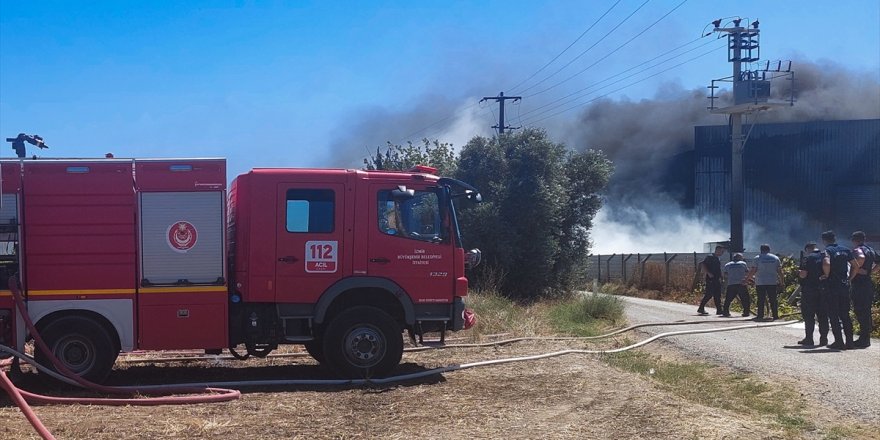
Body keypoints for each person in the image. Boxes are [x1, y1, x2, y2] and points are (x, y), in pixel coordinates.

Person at [821, 230, 858, 350]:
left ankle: (839, 342)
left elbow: (826, 263)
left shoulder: (828, 250)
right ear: (835, 238)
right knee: (845, 314)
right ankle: (850, 342)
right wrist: (850, 278)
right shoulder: (846, 249)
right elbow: (855, 265)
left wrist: (826, 275)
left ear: (824, 240)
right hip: (844, 285)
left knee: (833, 314)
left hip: (832, 286)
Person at [797, 242, 828, 347]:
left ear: (807, 249)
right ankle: (824, 339)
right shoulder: (825, 256)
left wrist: (799, 274)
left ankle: (809, 339)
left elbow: (803, 274)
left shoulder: (807, 258)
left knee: (809, 316)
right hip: (824, 290)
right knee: (823, 315)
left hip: (809, 290)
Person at [849, 231, 876, 348]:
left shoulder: (858, 250)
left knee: (860, 310)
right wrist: (869, 272)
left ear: (855, 240)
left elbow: (860, 258)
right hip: (868, 284)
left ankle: (864, 339)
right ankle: (866, 337)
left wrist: (854, 272)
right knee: (866, 310)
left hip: (859, 285)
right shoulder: (871, 250)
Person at [748, 244, 784, 320]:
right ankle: (775, 315)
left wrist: (747, 279)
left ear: (761, 250)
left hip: (760, 282)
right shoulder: (775, 258)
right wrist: (782, 282)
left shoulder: (757, 258)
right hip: (772, 282)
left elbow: (753, 270)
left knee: (761, 299)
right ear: (769, 249)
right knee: (773, 299)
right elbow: (780, 271)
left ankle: (760, 315)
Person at [697, 245, 725, 315]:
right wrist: (709, 273)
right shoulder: (710, 257)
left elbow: (718, 269)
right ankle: (701, 308)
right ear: (717, 250)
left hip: (716, 279)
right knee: (709, 294)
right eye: (721, 251)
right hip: (711, 279)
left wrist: (721, 277)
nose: (722, 253)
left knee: (717, 295)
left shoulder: (718, 258)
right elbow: (703, 264)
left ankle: (719, 310)